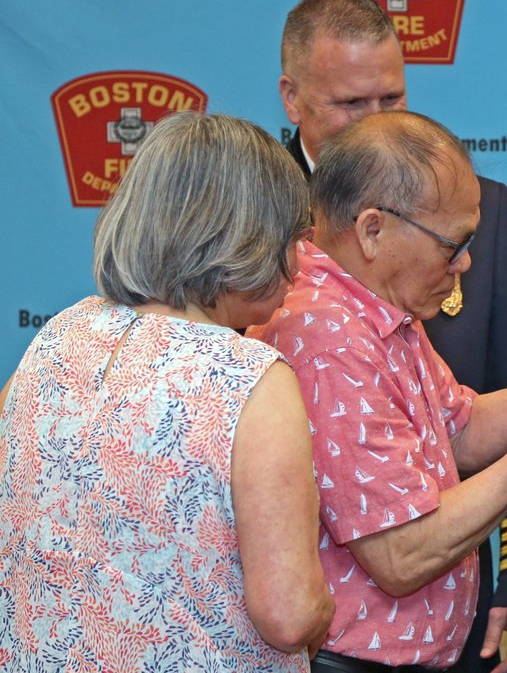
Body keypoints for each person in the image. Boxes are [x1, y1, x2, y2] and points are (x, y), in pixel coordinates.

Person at [248, 110, 507, 673]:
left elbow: (457, 431)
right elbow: (400, 553)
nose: (467, 262)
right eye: (452, 244)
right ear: (372, 230)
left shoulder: (374, 307)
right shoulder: (328, 336)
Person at [277, 3, 507, 670]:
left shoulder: (472, 208)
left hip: (453, 608)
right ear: (293, 96)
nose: (376, 120)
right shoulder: (250, 215)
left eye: (392, 95)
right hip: (319, 632)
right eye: (351, 102)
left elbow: (487, 395)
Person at [0, 112, 334, 670]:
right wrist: (322, 610)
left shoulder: (56, 335)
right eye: (293, 239)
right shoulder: (249, 377)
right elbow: (290, 615)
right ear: (243, 237)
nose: (300, 267)